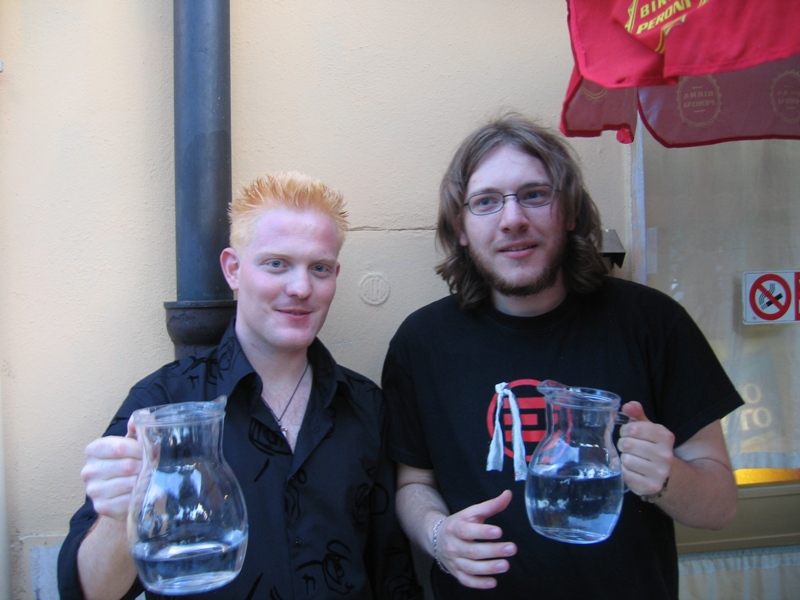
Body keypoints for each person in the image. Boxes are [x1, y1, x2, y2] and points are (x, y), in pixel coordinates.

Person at [381, 114, 742, 600]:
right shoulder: (421, 342)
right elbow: (412, 484)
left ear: (569, 212)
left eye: (534, 194)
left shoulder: (654, 323)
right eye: (486, 201)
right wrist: (438, 535)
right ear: (461, 228)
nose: (512, 219)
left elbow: (720, 506)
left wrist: (666, 478)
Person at [58, 171, 422, 600]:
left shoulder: (365, 405)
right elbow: (90, 592)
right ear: (233, 269)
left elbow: (392, 573)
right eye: (276, 264)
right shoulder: (163, 405)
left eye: (319, 268)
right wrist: (117, 519)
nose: (301, 288)